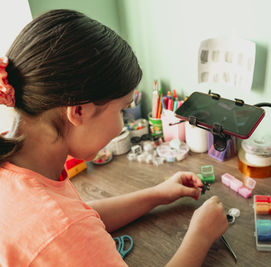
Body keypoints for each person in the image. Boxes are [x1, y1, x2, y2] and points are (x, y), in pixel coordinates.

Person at [0, 9, 228, 266]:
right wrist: (201, 235)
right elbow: (70, 228)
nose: (123, 122)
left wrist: (158, 194)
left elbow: (83, 218)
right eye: (122, 108)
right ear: (78, 111)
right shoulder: (61, 228)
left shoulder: (15, 162)